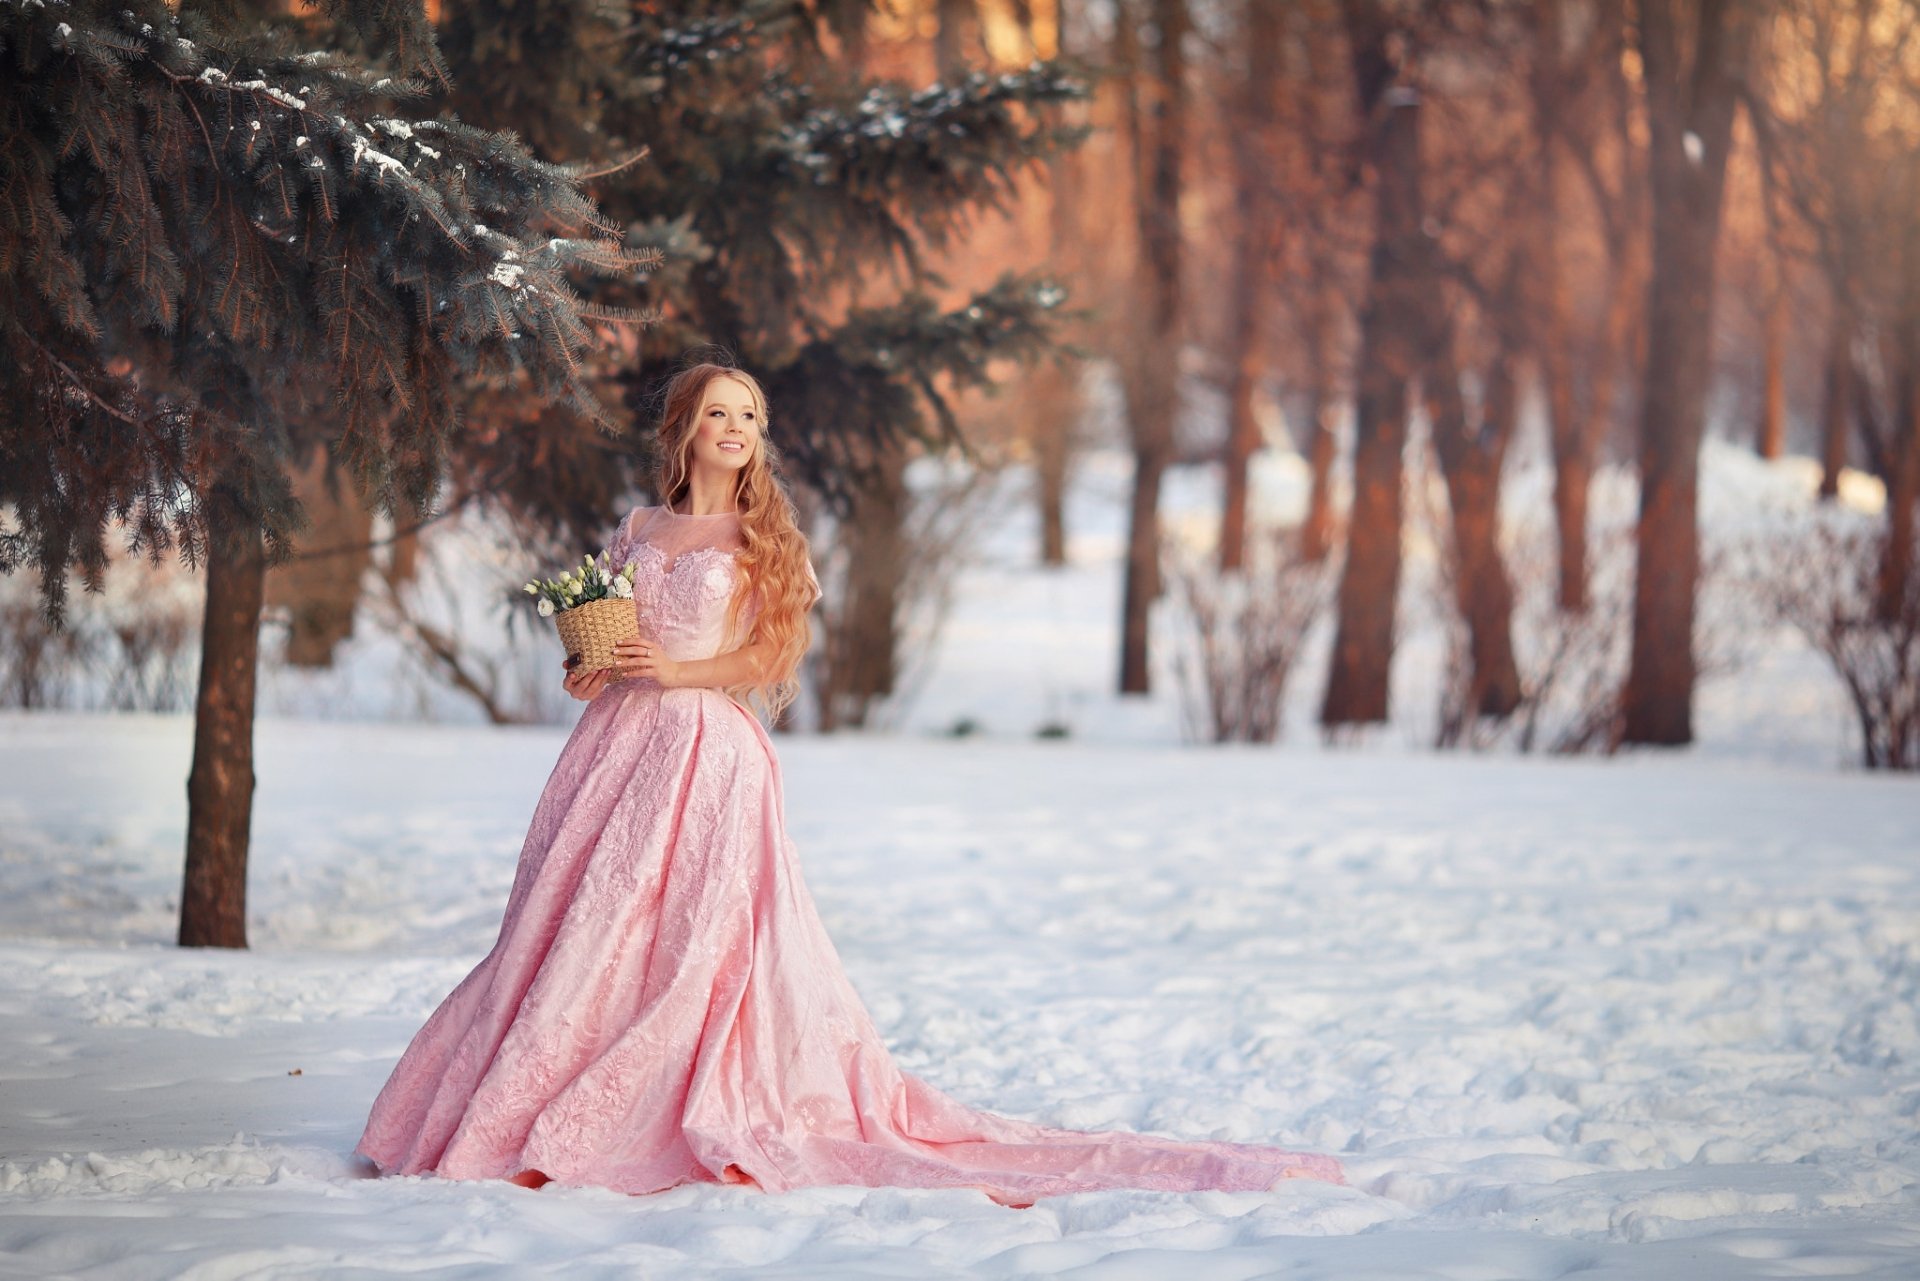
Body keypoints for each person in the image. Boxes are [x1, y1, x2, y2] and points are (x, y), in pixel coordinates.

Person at [354, 361, 1343, 1205]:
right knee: (581, 931)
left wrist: (679, 674)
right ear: (684, 430)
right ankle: (534, 1087)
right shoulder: (639, 528)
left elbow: (768, 658)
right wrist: (593, 665)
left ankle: (665, 1096)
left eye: (750, 418)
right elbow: (595, 663)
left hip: (708, 754)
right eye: (719, 414)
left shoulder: (761, 542)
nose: (737, 431)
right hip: (614, 751)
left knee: (694, 936)